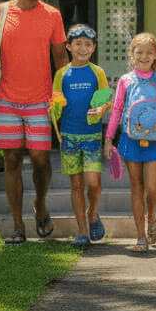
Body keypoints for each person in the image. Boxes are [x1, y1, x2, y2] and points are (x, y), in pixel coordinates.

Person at [0, 0, 68, 245]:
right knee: (12, 160)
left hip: (41, 100)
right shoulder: (0, 13)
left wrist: (63, 97)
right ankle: (18, 226)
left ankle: (40, 205)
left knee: (41, 159)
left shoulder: (52, 15)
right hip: (6, 99)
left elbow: (61, 59)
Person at [105, 32, 156, 253]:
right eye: (139, 52)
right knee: (136, 187)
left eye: (149, 52)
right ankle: (140, 237)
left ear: (155, 55)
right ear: (132, 55)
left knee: (152, 189)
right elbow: (116, 110)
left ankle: (152, 215)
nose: (144, 56)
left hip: (155, 141)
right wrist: (108, 139)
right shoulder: (126, 80)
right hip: (130, 139)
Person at [51, 23, 111, 246]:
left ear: (93, 48)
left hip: (92, 136)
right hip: (69, 137)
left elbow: (106, 101)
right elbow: (56, 105)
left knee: (93, 183)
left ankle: (92, 213)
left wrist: (101, 108)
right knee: (76, 185)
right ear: (68, 46)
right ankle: (82, 232)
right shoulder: (61, 74)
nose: (83, 48)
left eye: (88, 44)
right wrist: (54, 108)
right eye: (78, 44)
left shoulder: (98, 72)